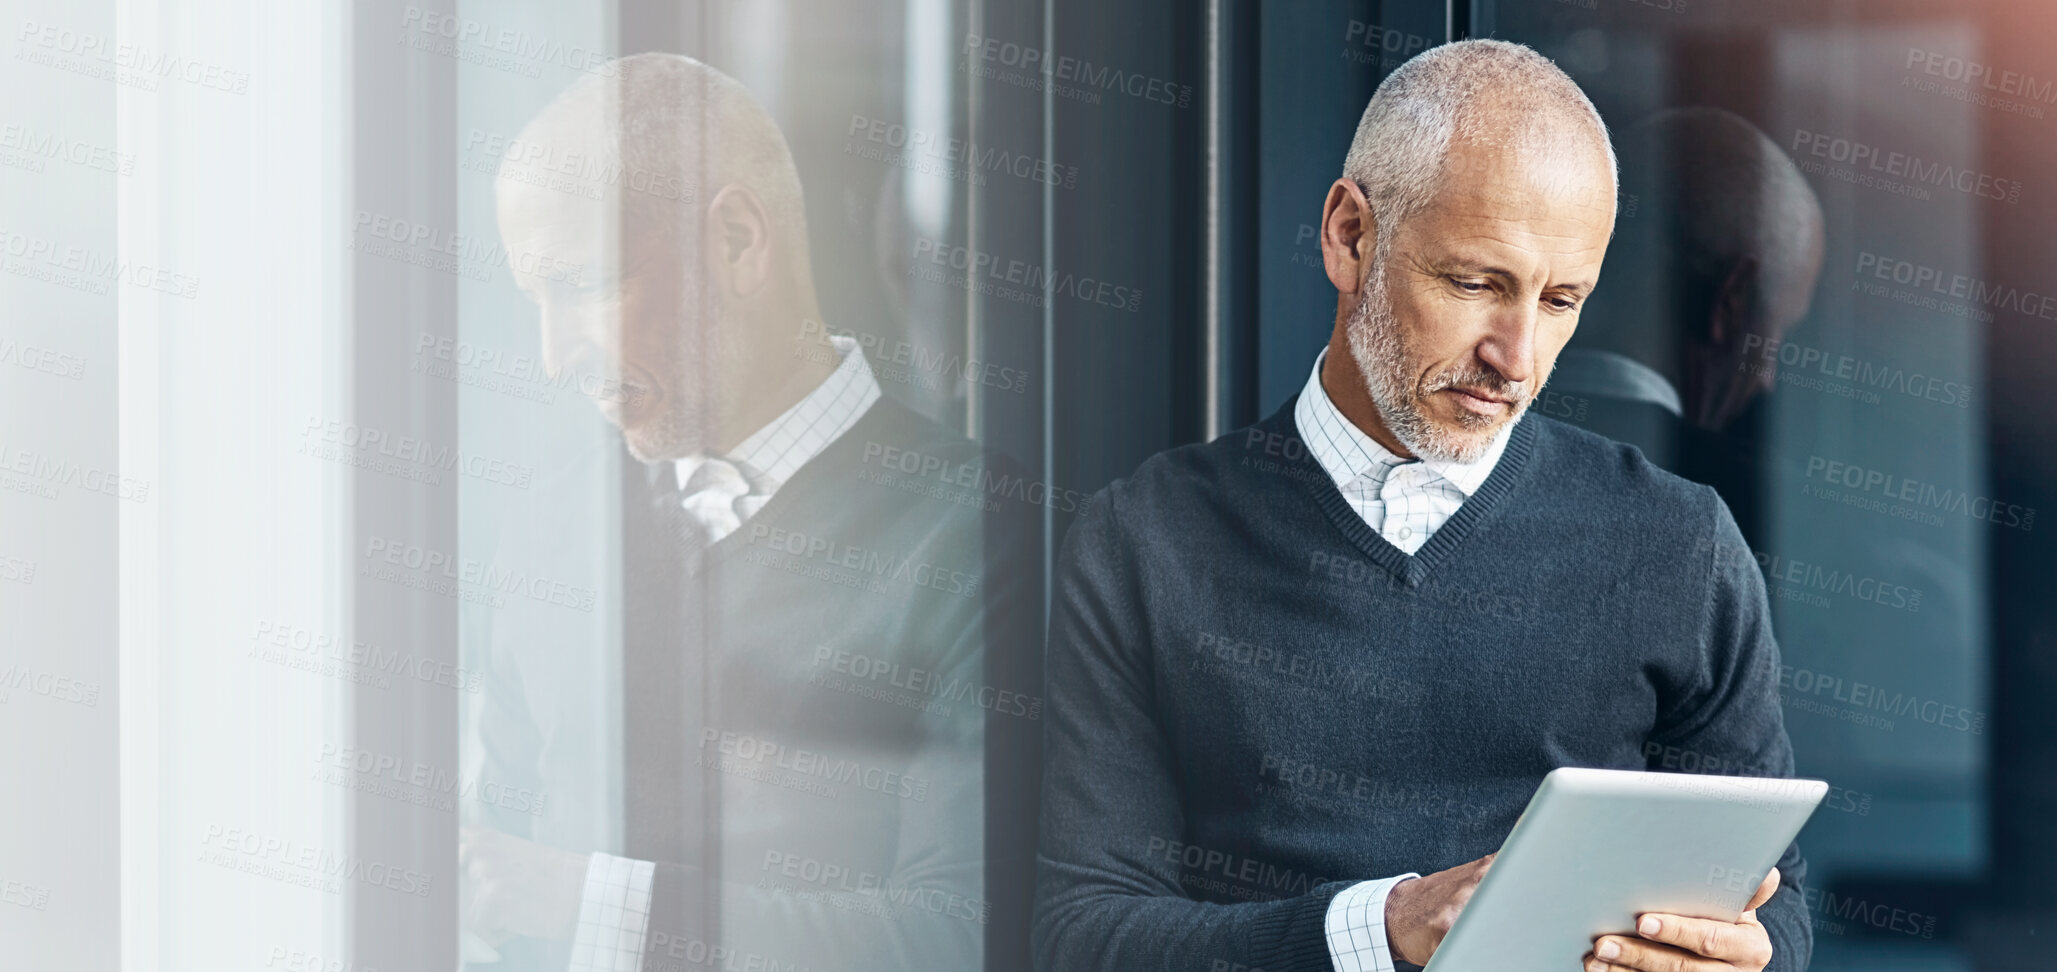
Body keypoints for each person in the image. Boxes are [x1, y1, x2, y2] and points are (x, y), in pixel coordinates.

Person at [1034, 40, 1810, 972]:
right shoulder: (1141, 544)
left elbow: (1780, 914)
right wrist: (1384, 927)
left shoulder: (1683, 546)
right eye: (1476, 283)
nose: (1516, 359)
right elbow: (1079, 935)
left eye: (1561, 300)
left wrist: (1729, 956)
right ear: (1349, 237)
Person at [466, 52, 1037, 972]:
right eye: (535, 299)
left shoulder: (991, 533)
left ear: (735, 241)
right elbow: (493, 897)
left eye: (581, 285)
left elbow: (964, 935)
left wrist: (588, 903)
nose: (550, 354)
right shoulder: (546, 528)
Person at [1552, 107, 1825, 544]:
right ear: (1732, 303)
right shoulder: (1765, 513)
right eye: (1776, 333)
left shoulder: (1447, 449)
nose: (1768, 380)